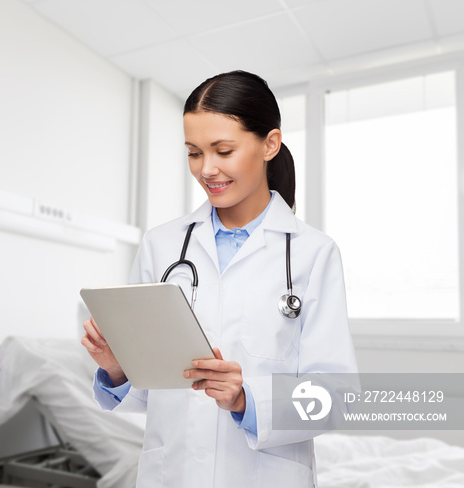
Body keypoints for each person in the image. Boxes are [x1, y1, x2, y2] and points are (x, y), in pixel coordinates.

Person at [81, 70, 358, 487]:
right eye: (194, 153)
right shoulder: (161, 245)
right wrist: (119, 369)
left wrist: (247, 399)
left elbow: (336, 398)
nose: (207, 169)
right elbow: (151, 392)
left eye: (223, 150)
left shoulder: (313, 253)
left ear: (270, 144)